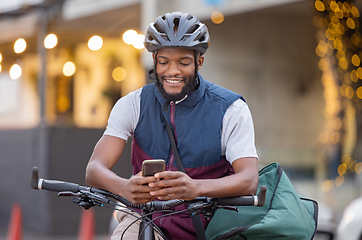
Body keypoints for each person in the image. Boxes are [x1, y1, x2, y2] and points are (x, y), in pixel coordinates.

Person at [85, 12, 259, 240]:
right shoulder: (132, 104)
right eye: (164, 62)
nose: (173, 71)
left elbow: (249, 179)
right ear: (154, 60)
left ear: (199, 62)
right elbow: (94, 168)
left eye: (184, 62)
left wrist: (196, 188)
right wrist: (123, 187)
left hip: (209, 227)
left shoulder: (231, 109)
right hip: (145, 220)